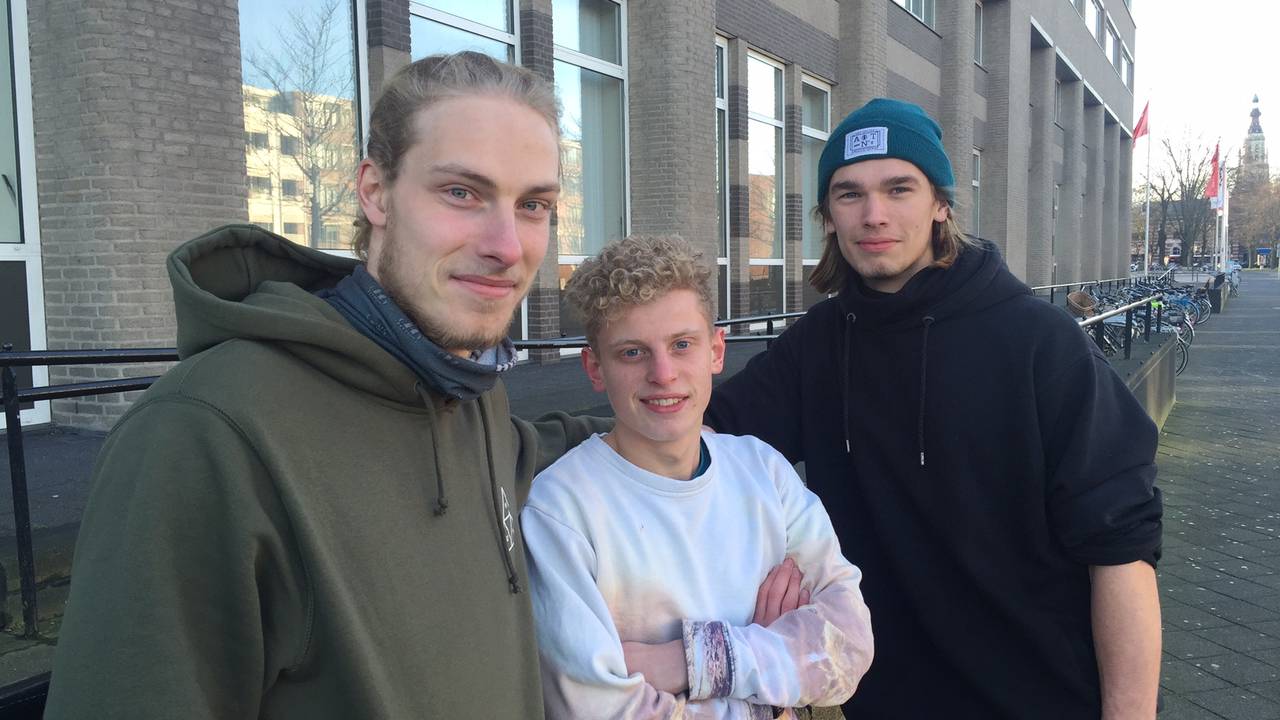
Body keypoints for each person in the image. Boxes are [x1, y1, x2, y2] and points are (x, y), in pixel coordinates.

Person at [46, 52, 608, 719]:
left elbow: (521, 452)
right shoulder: (203, 436)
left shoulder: (466, 384)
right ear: (373, 191)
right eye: (462, 192)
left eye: (534, 204)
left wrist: (686, 423)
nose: (507, 245)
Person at [705, 98, 1163, 718]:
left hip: (1039, 697)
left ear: (940, 204)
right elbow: (702, 442)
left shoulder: (1040, 343)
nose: (874, 214)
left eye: (899, 188)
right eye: (849, 194)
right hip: (887, 701)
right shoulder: (817, 346)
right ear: (827, 216)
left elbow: (1121, 549)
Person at [522, 235, 874, 719]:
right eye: (632, 353)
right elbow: (598, 710)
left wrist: (691, 661)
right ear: (594, 367)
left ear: (716, 351)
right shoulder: (561, 511)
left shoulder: (764, 472)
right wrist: (769, 700)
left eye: (681, 345)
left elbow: (848, 647)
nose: (663, 373)